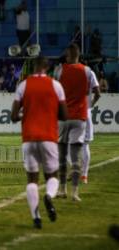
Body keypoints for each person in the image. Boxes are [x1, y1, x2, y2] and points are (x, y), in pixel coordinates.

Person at [11, 56, 67, 229]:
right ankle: (49, 196)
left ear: (33, 67)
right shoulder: (56, 85)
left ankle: (36, 217)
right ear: (47, 68)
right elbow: (64, 115)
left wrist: (25, 115)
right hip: (48, 137)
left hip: (28, 138)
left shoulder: (23, 85)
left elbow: (13, 116)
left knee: (32, 180)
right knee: (52, 176)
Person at [54, 43, 98, 201]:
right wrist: (89, 105)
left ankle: (62, 190)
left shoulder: (60, 70)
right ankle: (75, 193)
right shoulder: (87, 71)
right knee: (77, 155)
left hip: (63, 118)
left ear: (67, 56)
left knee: (62, 156)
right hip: (80, 117)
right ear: (79, 55)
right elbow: (97, 92)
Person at [81, 70, 100, 184]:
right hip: (84, 113)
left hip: (70, 113)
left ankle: (74, 167)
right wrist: (90, 105)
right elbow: (98, 94)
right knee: (85, 144)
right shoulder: (90, 73)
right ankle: (84, 176)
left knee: (65, 143)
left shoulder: (65, 71)